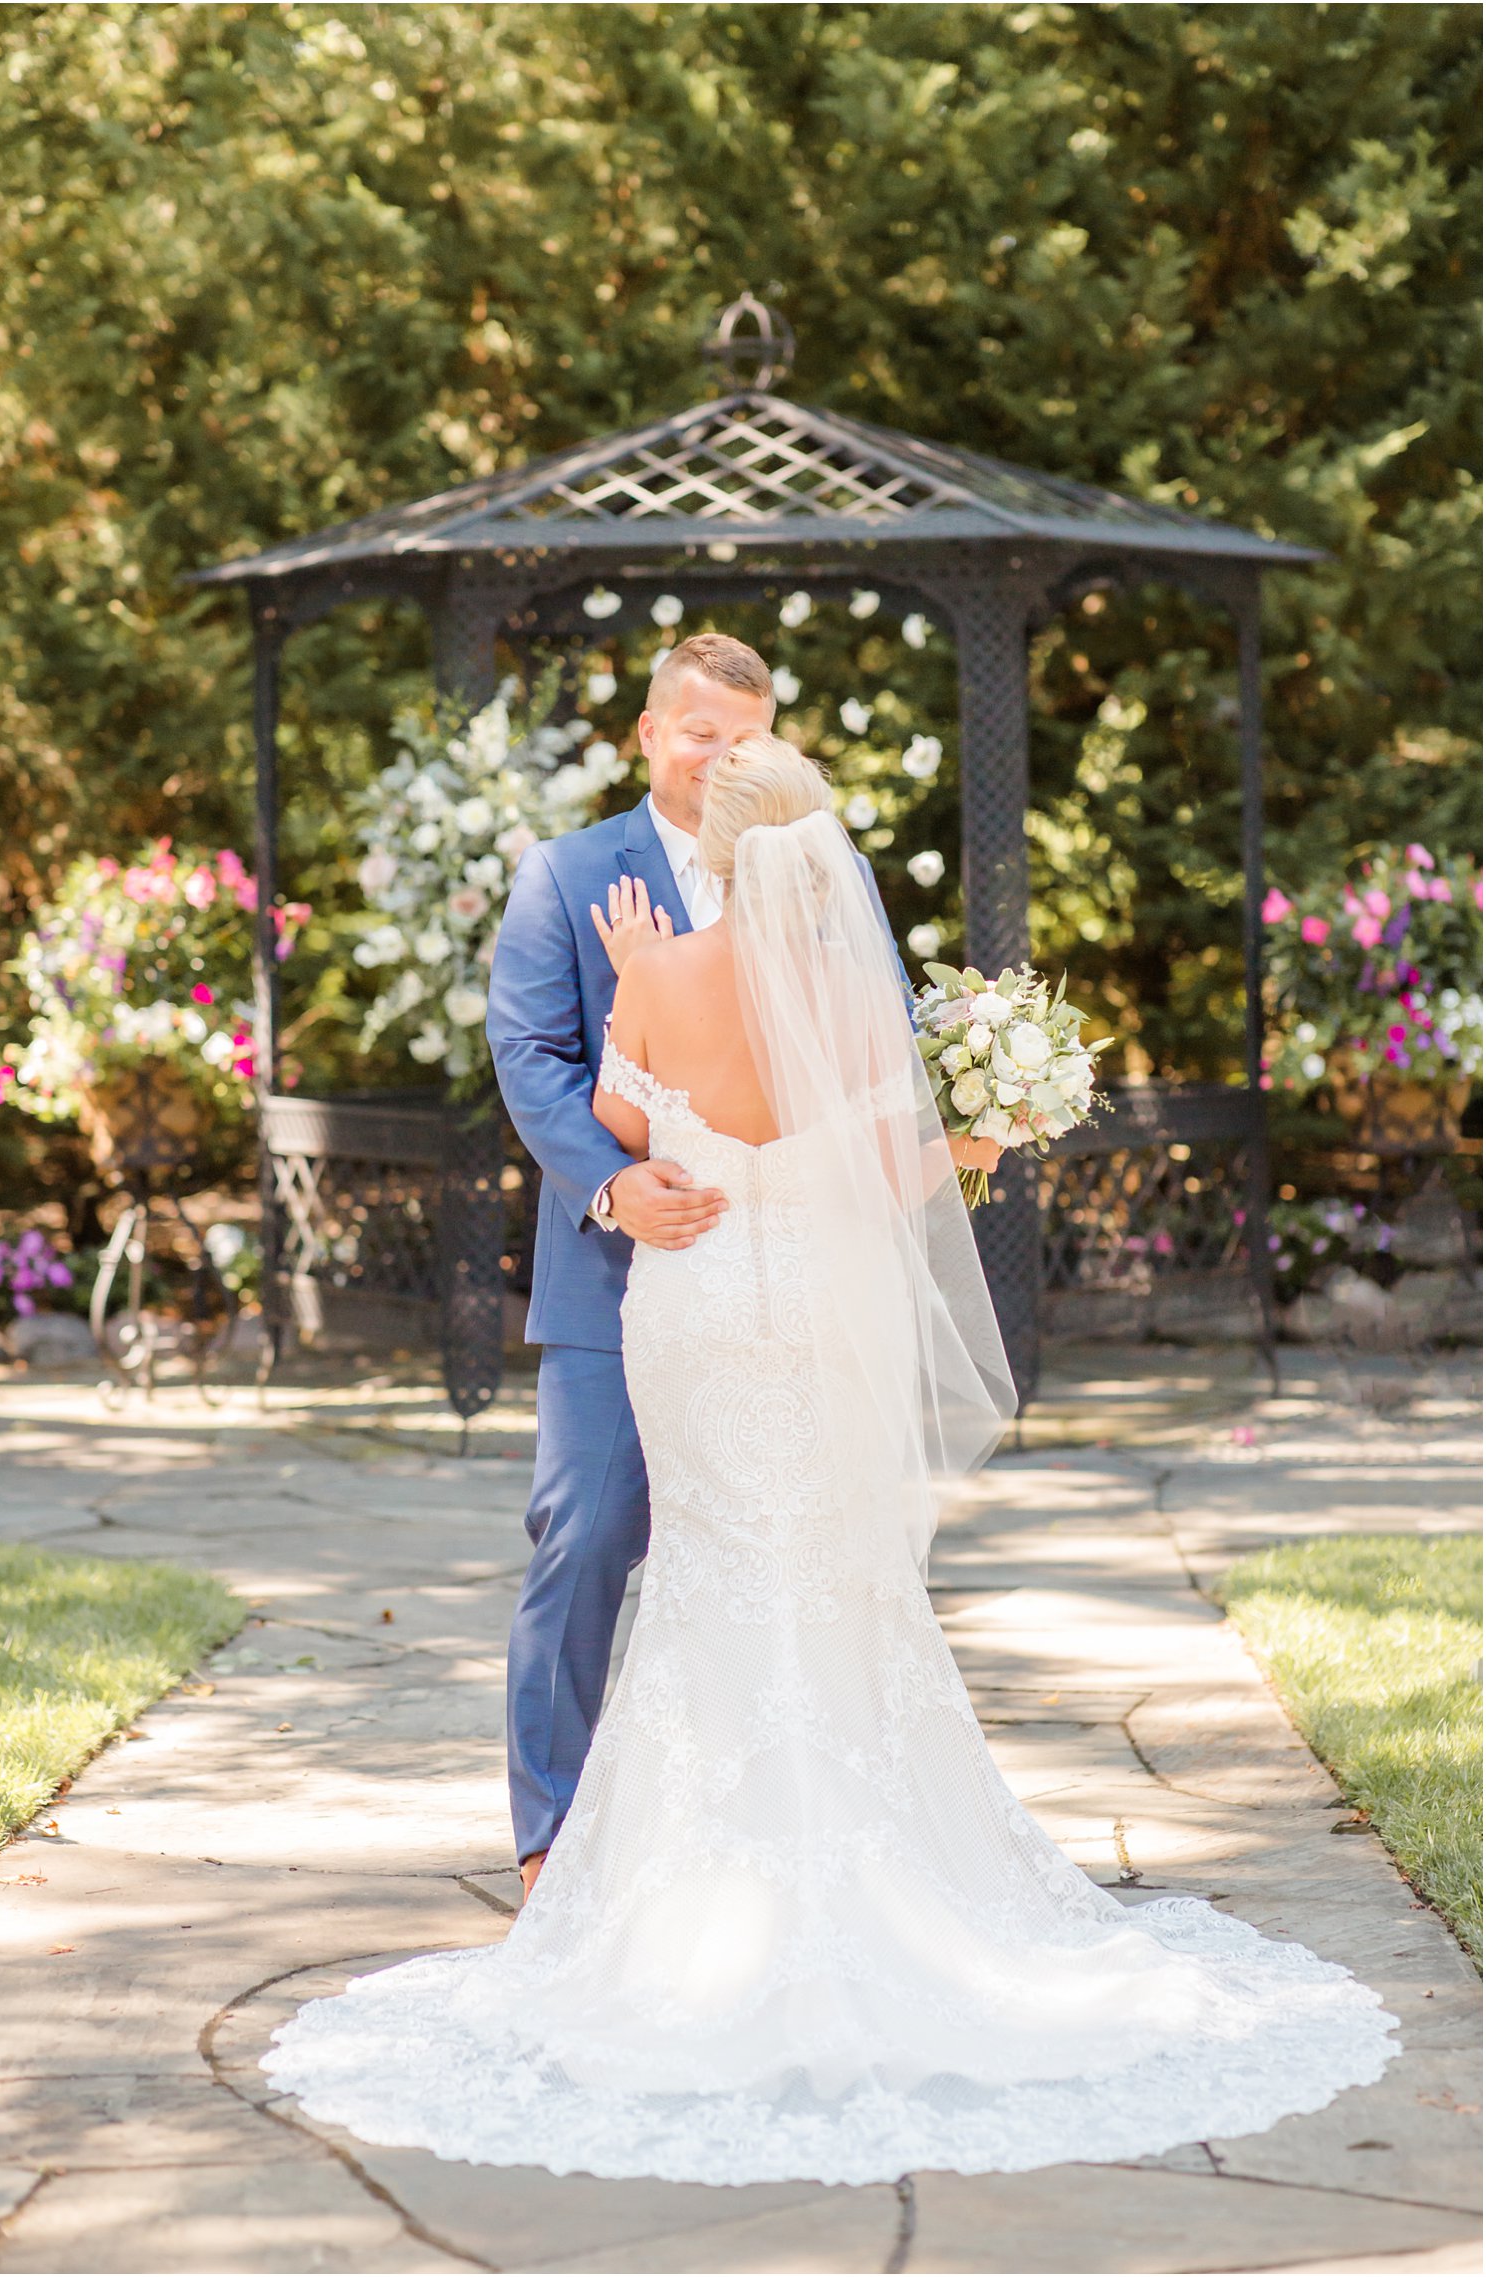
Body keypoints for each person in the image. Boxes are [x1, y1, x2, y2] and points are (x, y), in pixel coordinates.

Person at [262, 730, 1398, 2187]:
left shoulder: (657, 965)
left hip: (694, 1314)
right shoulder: (856, 1004)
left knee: (708, 1572)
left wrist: (648, 996)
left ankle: (671, 1917)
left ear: (714, 848)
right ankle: (889, 1885)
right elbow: (900, 1168)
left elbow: (620, 1122)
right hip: (816, 1318)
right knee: (837, 1571)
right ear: (819, 851)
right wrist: (986, 1126)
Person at [481, 632, 909, 1901]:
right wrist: (615, 1185)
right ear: (646, 734)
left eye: (743, 735)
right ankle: (552, 1835)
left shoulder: (832, 881)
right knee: (588, 1533)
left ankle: (780, 1828)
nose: (718, 754)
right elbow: (527, 1058)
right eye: (695, 731)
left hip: (782, 1288)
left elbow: (867, 1053)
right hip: (623, 1289)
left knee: (784, 1552)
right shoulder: (566, 877)